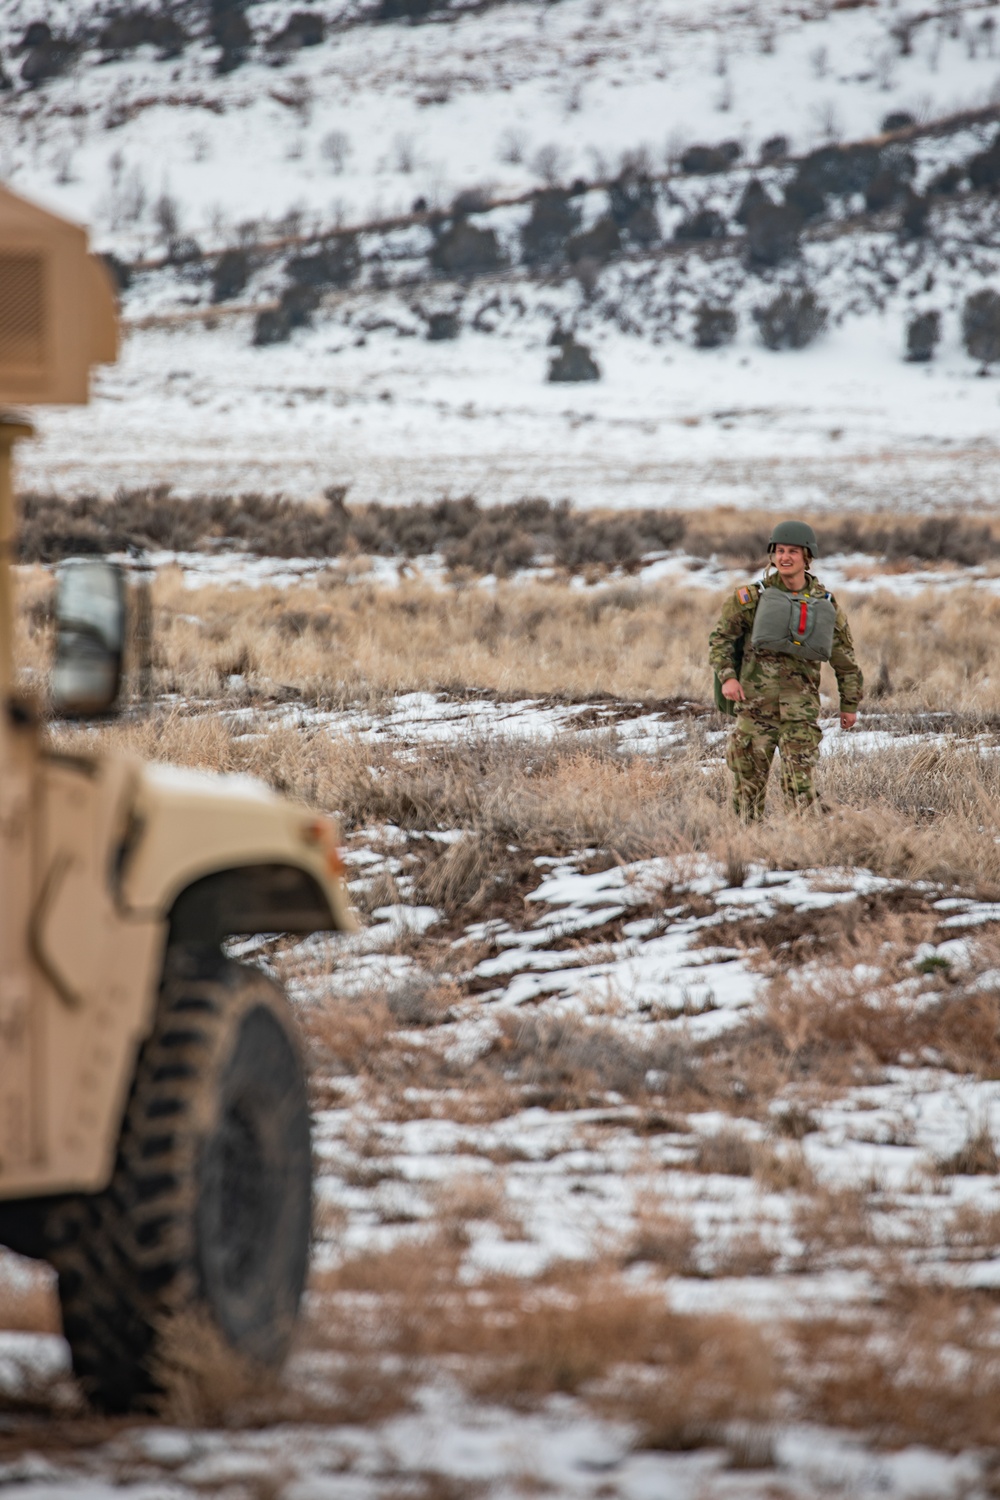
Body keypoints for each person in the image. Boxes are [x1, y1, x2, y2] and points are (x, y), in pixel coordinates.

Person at [708, 520, 862, 822]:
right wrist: (728, 677)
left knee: (800, 791)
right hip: (755, 711)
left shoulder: (824, 603)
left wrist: (850, 704)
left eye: (793, 551)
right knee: (746, 792)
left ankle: (800, 853)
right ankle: (746, 851)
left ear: (808, 557)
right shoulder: (751, 598)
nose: (785, 557)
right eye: (779, 550)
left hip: (800, 714)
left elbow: (844, 657)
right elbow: (721, 639)